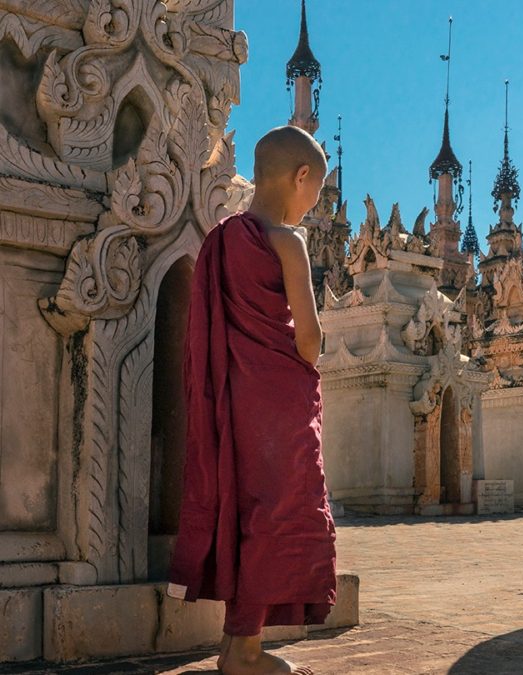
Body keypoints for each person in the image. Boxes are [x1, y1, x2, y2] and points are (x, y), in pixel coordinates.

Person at [168, 125, 337, 675]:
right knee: (278, 513)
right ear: (302, 176)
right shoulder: (288, 242)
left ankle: (234, 641)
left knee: (244, 509)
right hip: (279, 407)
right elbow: (308, 342)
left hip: (234, 404)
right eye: (318, 190)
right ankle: (243, 649)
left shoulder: (221, 238)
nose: (316, 203)